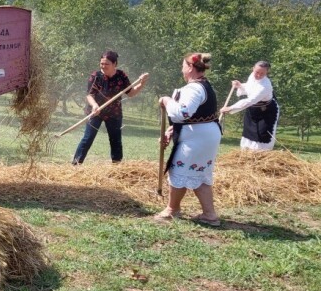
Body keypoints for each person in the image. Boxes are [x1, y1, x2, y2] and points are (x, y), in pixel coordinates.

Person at [155, 53, 222, 227]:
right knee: (199, 174)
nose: (181, 69)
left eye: (183, 66)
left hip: (198, 139)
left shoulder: (194, 88)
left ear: (190, 67)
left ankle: (172, 209)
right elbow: (192, 117)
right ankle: (209, 215)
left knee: (178, 171)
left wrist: (167, 100)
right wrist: (171, 130)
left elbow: (182, 113)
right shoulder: (203, 85)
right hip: (203, 135)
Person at [72, 50, 147, 165]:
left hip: (114, 113)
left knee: (115, 140)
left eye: (106, 64)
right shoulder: (95, 76)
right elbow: (89, 95)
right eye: (101, 63)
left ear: (114, 64)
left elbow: (131, 93)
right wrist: (94, 105)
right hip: (95, 111)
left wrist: (141, 84)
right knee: (88, 138)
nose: (103, 66)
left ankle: (116, 166)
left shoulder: (121, 76)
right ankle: (76, 164)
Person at [220, 61, 279, 151]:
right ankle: (246, 152)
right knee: (249, 130)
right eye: (257, 72)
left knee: (263, 133)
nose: (258, 75)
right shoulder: (252, 76)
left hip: (267, 111)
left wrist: (230, 108)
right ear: (253, 69)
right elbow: (250, 88)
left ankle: (260, 154)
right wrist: (240, 85)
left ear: (267, 72)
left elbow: (249, 100)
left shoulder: (265, 86)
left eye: (262, 73)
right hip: (253, 108)